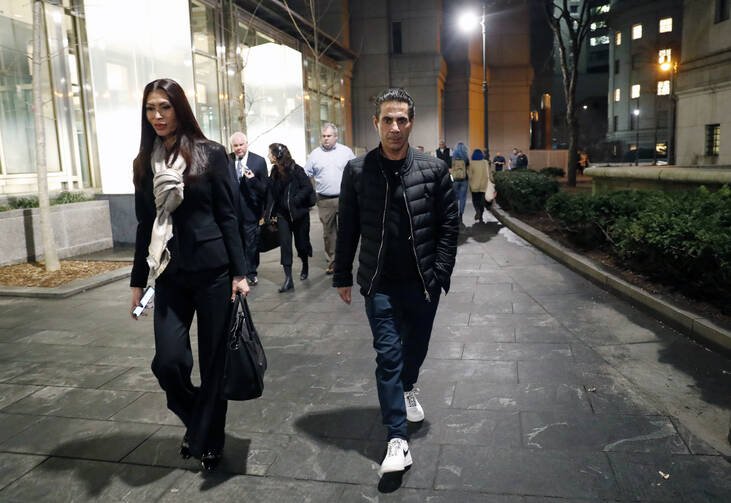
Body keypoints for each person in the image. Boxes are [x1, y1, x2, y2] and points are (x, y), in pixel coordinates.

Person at [333, 88, 459, 477]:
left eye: (401, 119)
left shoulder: (433, 170)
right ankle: (396, 439)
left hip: (423, 282)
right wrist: (342, 274)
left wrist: (440, 273)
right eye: (387, 119)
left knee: (414, 349)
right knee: (388, 355)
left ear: (411, 123)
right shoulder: (357, 170)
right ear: (376, 123)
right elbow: (348, 227)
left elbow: (449, 225)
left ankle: (408, 387)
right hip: (380, 282)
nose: (394, 127)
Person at [130, 78, 249, 472]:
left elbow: (229, 214)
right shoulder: (144, 160)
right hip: (167, 272)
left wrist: (239, 272)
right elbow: (144, 223)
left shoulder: (209, 153)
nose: (158, 116)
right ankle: (200, 418)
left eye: (164, 107)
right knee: (168, 362)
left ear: (179, 108)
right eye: (151, 108)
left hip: (214, 272)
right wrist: (137, 281)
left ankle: (209, 439)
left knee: (214, 361)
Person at [303, 123, 355, 275]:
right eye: (324, 136)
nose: (326, 139)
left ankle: (345, 260)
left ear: (336, 137)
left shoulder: (346, 152)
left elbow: (356, 171)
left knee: (346, 230)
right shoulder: (315, 155)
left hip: (344, 198)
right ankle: (333, 261)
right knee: (328, 233)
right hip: (324, 200)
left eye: (329, 136)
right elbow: (306, 174)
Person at [266, 143, 314, 292]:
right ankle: (288, 279)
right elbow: (272, 194)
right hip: (283, 215)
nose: (268, 156)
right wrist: (269, 215)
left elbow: (307, 188)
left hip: (299, 214)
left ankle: (304, 264)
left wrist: (295, 200)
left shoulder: (296, 169)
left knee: (301, 244)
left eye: (270, 153)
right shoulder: (274, 172)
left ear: (277, 156)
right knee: (285, 245)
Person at [228, 132, 268, 285]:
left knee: (251, 243)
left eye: (241, 145)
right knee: (236, 241)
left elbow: (264, 188)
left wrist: (252, 180)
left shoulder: (258, 161)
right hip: (232, 210)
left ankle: (251, 272)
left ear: (247, 144)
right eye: (235, 146)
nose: (238, 148)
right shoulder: (228, 159)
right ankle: (238, 271)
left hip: (251, 209)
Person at [451, 142, 470, 221]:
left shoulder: (453, 157)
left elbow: (450, 168)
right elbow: (468, 167)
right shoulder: (466, 158)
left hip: (455, 180)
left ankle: (455, 213)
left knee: (455, 198)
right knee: (463, 198)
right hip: (464, 179)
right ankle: (461, 214)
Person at [468, 148, 488, 223]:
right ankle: (481, 215)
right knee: (482, 200)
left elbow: (469, 175)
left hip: (474, 185)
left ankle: (477, 211)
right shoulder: (485, 162)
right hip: (483, 185)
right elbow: (489, 173)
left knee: (475, 200)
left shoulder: (471, 163)